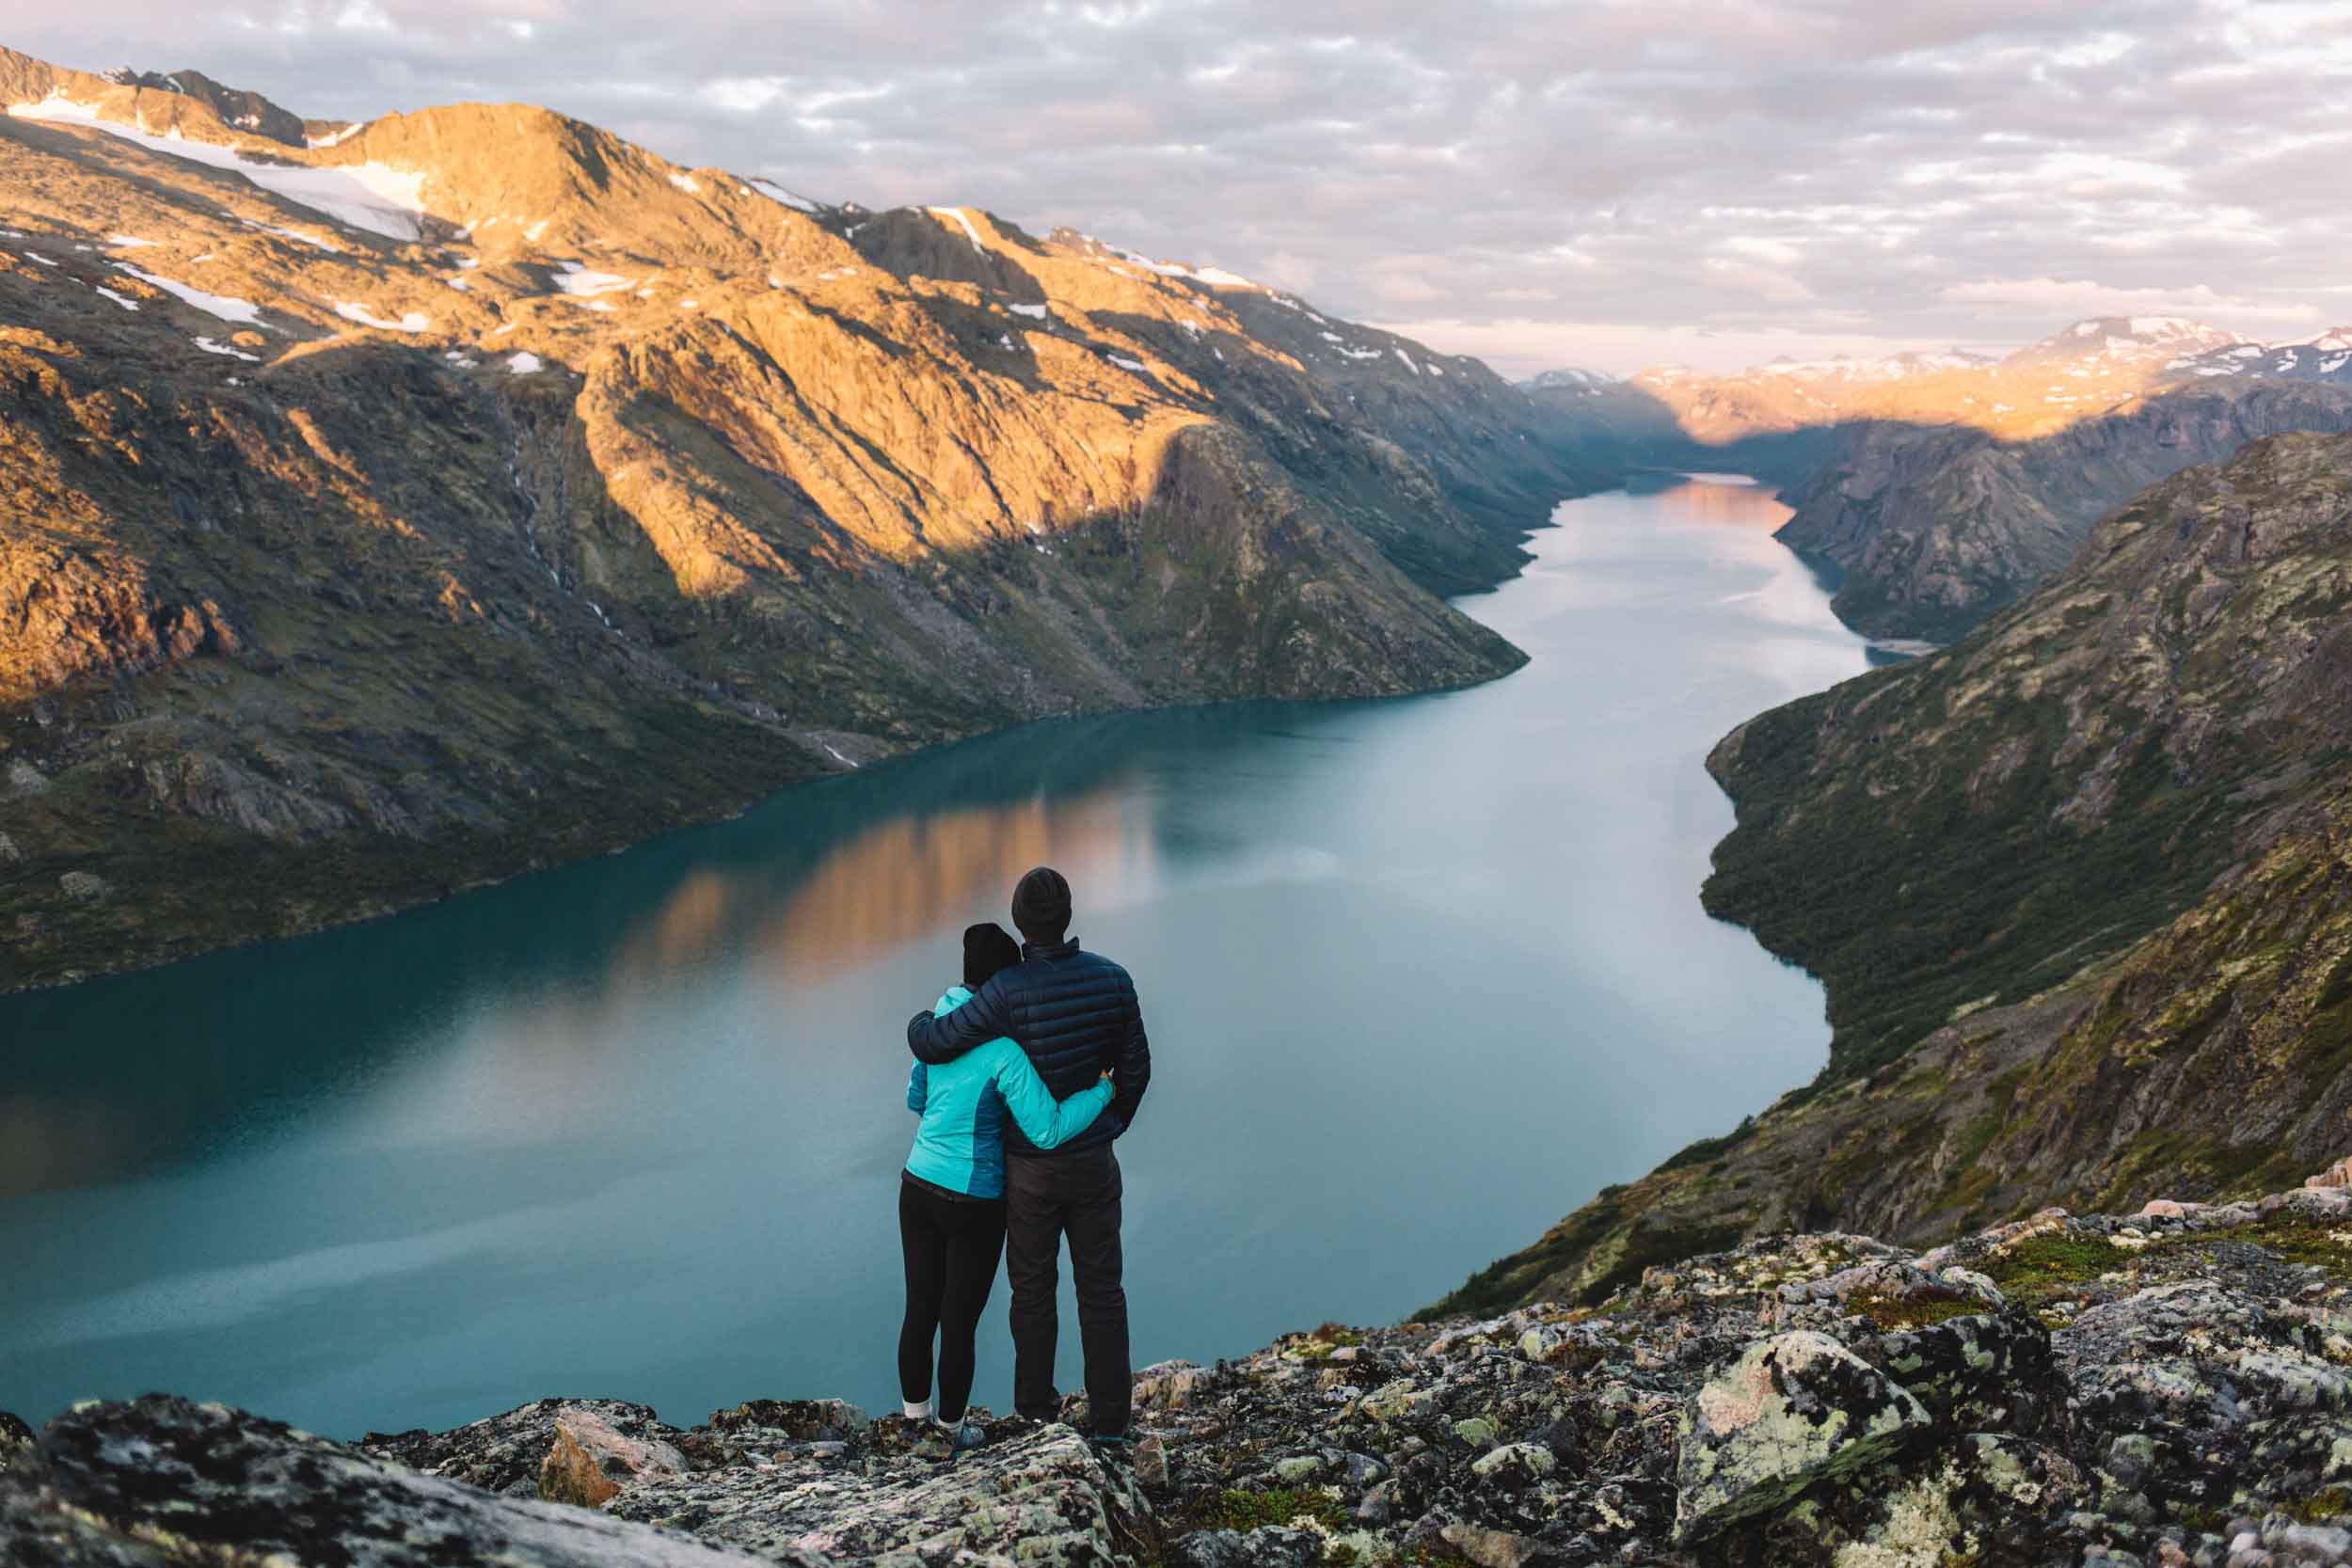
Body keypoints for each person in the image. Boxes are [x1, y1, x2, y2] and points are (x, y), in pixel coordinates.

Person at [905, 866, 1151, 1447]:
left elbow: (934, 1043)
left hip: (1028, 1173)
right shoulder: (1114, 980)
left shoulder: (1003, 993)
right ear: (1067, 917)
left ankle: (1037, 1416)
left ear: (1021, 923)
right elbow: (1135, 1068)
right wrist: (1112, 1121)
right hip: (1093, 1162)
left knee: (1033, 1291)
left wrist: (919, 1021)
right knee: (1102, 1290)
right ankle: (1111, 1424)